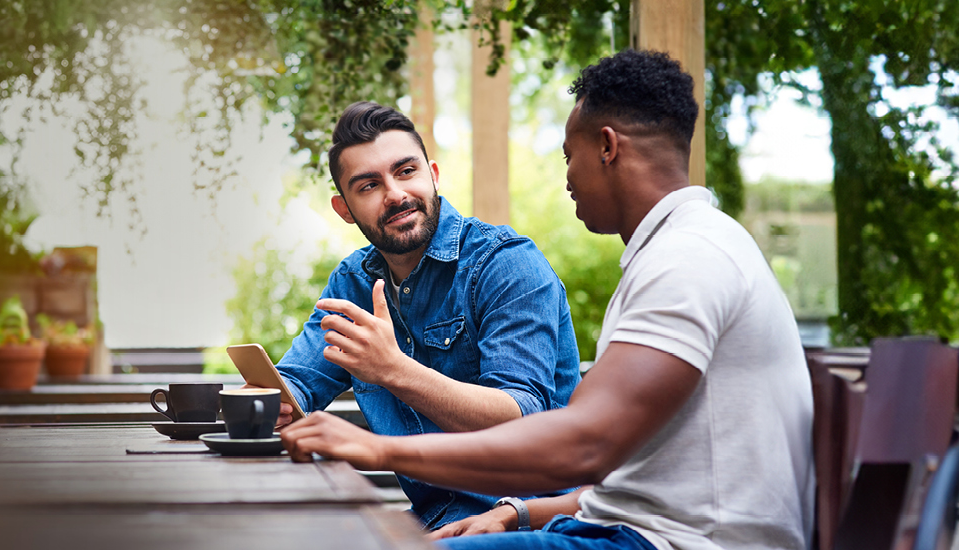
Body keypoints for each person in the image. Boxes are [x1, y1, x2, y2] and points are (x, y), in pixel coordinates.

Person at [278, 50, 814, 550]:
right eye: (369, 185)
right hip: (623, 528)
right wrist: (515, 513)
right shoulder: (676, 250)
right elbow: (634, 478)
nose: (567, 179)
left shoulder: (689, 259)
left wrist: (378, 448)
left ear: (607, 147)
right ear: (344, 206)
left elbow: (584, 447)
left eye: (568, 156)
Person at [254, 101, 583, 529]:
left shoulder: (505, 264)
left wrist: (394, 370)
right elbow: (300, 380)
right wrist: (274, 401)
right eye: (369, 185)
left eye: (406, 172)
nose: (395, 194)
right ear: (345, 209)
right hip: (429, 518)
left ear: (433, 175)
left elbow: (518, 414)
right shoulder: (353, 280)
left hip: (525, 518)